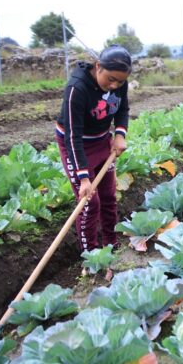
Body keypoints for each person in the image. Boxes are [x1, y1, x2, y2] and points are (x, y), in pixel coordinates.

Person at [55, 45, 131, 253]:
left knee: (108, 196)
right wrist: (84, 178)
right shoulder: (77, 89)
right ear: (98, 67)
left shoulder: (119, 83)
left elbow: (122, 109)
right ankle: (91, 256)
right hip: (77, 145)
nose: (114, 85)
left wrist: (120, 134)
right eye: (110, 79)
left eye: (120, 81)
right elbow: (72, 136)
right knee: (90, 202)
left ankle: (111, 244)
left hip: (102, 141)